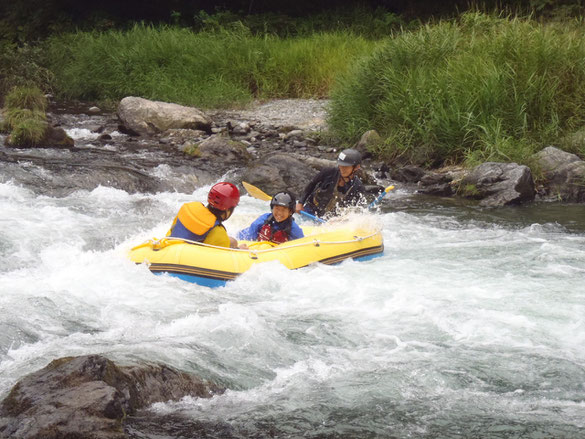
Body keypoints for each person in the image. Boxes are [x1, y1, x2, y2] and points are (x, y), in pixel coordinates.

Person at [167, 182, 241, 248]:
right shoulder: (218, 232)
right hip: (188, 259)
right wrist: (239, 250)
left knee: (233, 241)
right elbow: (222, 259)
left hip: (169, 247)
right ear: (228, 210)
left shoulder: (190, 207)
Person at [296, 148, 366, 218]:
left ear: (356, 167)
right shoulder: (329, 172)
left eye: (346, 167)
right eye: (341, 165)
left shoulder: (358, 187)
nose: (342, 169)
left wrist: (341, 220)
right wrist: (300, 203)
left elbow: (354, 211)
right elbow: (312, 184)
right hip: (310, 210)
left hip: (330, 219)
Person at [237, 191, 304, 244]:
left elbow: (301, 244)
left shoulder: (293, 228)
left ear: (290, 212)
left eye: (283, 210)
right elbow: (248, 237)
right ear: (272, 208)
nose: (279, 213)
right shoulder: (263, 220)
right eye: (277, 208)